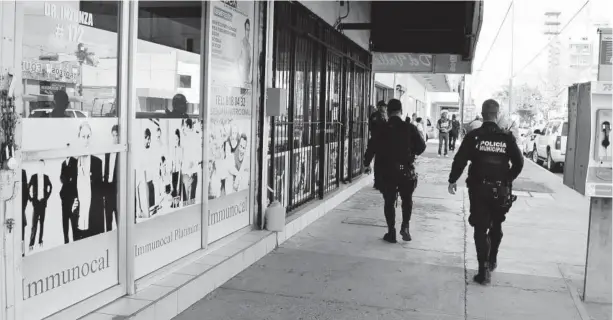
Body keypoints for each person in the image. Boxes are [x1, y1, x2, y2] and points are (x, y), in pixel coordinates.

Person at [447, 99, 524, 285]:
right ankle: (492, 260)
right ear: (497, 115)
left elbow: (460, 160)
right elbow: (519, 163)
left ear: (482, 115)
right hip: (500, 190)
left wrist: (452, 180)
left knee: (480, 228)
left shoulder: (474, 136)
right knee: (496, 225)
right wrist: (507, 179)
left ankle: (483, 271)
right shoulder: (506, 138)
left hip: (479, 189)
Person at [364, 99, 426, 243]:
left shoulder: (381, 128)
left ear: (388, 111)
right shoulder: (409, 128)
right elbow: (421, 147)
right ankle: (405, 226)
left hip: (386, 172)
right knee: (407, 199)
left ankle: (391, 232)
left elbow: (371, 147)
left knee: (389, 201)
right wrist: (411, 154)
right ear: (401, 111)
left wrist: (367, 163)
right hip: (405, 171)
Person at [28, 160, 52, 250]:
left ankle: (40, 241)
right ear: (37, 166)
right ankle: (31, 243)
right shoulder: (33, 177)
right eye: (39, 165)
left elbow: (51, 187)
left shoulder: (46, 177)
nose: (40, 167)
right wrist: (31, 199)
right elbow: (28, 188)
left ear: (44, 166)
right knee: (34, 224)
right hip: (36, 203)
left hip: (43, 203)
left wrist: (46, 198)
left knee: (42, 223)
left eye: (42, 165)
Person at [368, 100, 388, 190]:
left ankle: (380, 181)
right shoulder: (375, 115)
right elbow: (374, 128)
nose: (385, 108)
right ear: (379, 107)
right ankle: (377, 182)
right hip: (377, 141)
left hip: (382, 142)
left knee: (382, 162)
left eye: (385, 107)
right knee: (378, 162)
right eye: (384, 106)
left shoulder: (384, 115)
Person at [103, 125, 119, 232]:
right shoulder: (108, 153)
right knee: (108, 224)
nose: (114, 138)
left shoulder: (122, 154)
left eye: (116, 135)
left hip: (117, 193)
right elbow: (105, 173)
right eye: (113, 135)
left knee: (119, 223)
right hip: (108, 192)